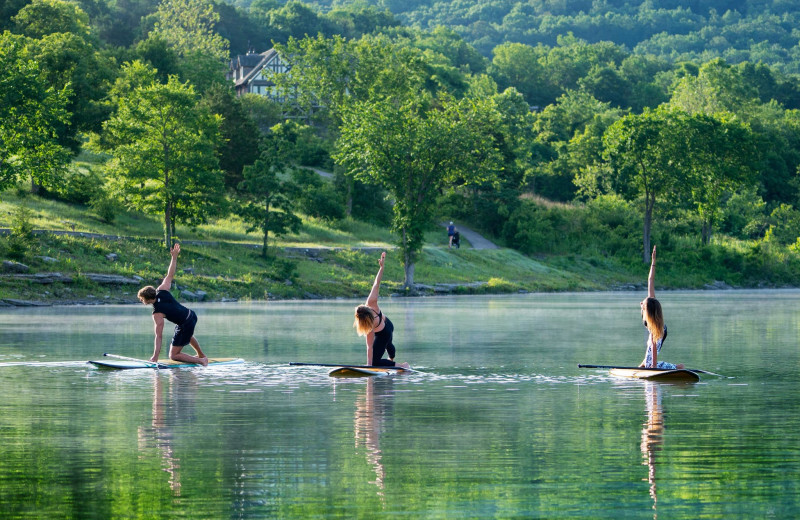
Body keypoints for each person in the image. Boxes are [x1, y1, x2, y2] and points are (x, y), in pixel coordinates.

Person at [137, 243, 208, 366]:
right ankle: (202, 355)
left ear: (147, 299)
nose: (141, 301)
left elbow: (158, 336)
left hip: (185, 322)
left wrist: (155, 357)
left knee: (173, 355)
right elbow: (170, 274)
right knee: (187, 334)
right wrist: (174, 257)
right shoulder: (162, 289)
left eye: (142, 299)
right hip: (191, 315)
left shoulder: (157, 313)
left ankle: (201, 360)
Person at [353, 252, 410, 368]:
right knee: (388, 344)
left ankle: (402, 366)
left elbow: (369, 347)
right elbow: (376, 284)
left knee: (376, 361)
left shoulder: (368, 325)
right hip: (389, 324)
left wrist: (369, 365)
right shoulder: (371, 303)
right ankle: (391, 357)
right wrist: (382, 267)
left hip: (384, 333)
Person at [639, 245, 684, 370]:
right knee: (648, 357)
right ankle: (671, 366)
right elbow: (650, 280)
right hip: (659, 329)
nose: (641, 304)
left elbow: (653, 346)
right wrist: (653, 262)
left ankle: (678, 367)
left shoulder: (651, 318)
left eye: (642, 303)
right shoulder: (651, 305)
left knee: (651, 356)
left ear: (647, 310)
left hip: (659, 330)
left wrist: (653, 368)